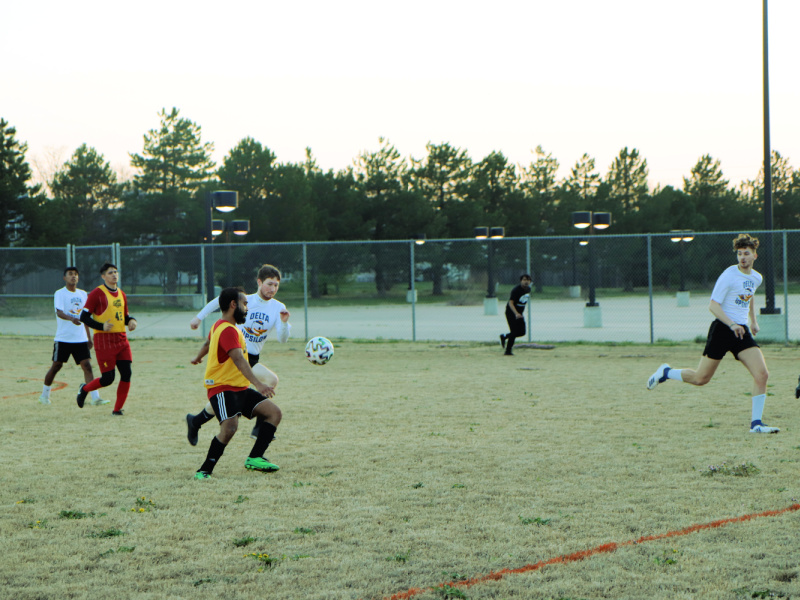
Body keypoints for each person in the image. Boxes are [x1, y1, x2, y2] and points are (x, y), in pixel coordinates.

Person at [646, 233, 779, 434]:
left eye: (746, 253)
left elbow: (749, 295)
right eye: (739, 254)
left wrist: (753, 320)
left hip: (741, 332)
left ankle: (757, 424)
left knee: (762, 374)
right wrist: (732, 324)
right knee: (701, 378)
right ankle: (666, 372)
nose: (742, 257)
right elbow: (713, 305)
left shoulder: (756, 277)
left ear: (755, 256)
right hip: (722, 330)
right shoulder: (728, 275)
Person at [186, 264, 290, 443]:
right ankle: (260, 426)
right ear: (259, 282)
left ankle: (195, 420)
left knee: (234, 394)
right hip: (234, 354)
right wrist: (199, 317)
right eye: (269, 284)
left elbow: (282, 339)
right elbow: (219, 301)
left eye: (276, 285)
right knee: (238, 392)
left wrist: (284, 323)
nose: (272, 289)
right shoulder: (245, 299)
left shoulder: (278, 307)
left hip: (252, 358)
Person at [190, 287, 282, 480]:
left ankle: (255, 457)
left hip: (239, 388)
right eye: (245, 304)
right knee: (230, 428)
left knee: (273, 413)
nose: (247, 308)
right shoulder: (228, 331)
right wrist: (258, 384)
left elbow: (208, 343)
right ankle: (204, 470)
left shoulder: (221, 326)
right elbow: (239, 360)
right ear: (234, 305)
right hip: (222, 388)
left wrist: (198, 357)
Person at [39, 267, 108, 406]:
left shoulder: (83, 294)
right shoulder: (60, 293)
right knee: (56, 366)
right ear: (64, 278)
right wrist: (72, 319)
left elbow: (85, 317)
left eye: (76, 274)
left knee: (87, 366)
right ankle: (44, 395)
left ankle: (95, 398)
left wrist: (89, 337)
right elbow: (59, 312)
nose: (73, 276)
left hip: (80, 338)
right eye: (70, 274)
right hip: (63, 338)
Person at [76, 263, 137, 415]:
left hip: (121, 339)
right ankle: (84, 389)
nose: (114, 275)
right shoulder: (97, 293)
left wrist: (131, 320)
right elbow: (83, 316)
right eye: (110, 273)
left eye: (116, 272)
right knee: (108, 378)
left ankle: (117, 409)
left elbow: (124, 316)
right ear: (103, 276)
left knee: (127, 373)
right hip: (104, 340)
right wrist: (101, 326)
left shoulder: (122, 294)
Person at [499, 274, 532, 356]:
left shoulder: (528, 289)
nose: (526, 282)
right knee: (514, 331)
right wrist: (516, 313)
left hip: (519, 314)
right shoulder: (516, 290)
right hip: (511, 313)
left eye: (528, 280)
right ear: (521, 281)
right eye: (524, 280)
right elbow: (511, 303)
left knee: (522, 332)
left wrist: (520, 313)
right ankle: (508, 351)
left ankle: (505, 336)